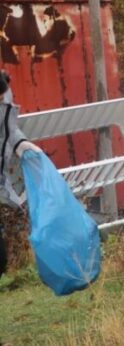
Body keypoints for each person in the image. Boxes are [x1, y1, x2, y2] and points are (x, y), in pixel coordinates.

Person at [0, 72, 43, 280]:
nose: (1, 100)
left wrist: (22, 144)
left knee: (0, 257)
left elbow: (7, 128)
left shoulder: (4, 97)